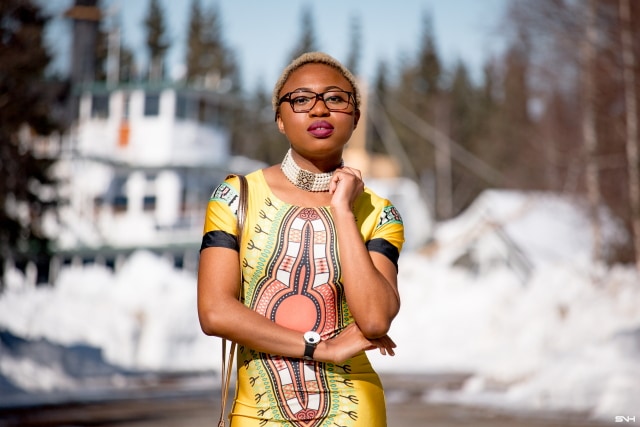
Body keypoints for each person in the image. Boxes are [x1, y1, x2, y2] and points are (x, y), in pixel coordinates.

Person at [198, 52, 404, 427]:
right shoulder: (233, 197)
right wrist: (320, 349)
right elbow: (214, 312)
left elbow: (375, 320)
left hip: (353, 410)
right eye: (302, 99)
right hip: (258, 414)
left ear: (356, 117)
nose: (319, 110)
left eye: (336, 98)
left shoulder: (379, 213)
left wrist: (342, 209)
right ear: (280, 118)